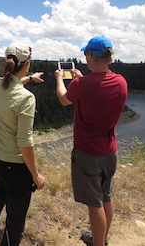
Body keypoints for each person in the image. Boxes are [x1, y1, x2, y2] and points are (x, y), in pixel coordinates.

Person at [54, 36, 128, 246]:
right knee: (106, 196)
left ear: (89, 55)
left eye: (86, 53)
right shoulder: (121, 81)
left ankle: (97, 244)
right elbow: (99, 87)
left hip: (87, 152)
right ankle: (102, 239)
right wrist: (81, 79)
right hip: (109, 151)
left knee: (94, 203)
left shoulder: (81, 84)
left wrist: (60, 79)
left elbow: (64, 99)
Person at [0, 45, 46, 246]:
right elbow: (25, 141)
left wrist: (30, 78)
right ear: (27, 64)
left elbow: (12, 83)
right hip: (15, 167)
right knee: (16, 215)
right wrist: (35, 174)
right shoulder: (26, 98)